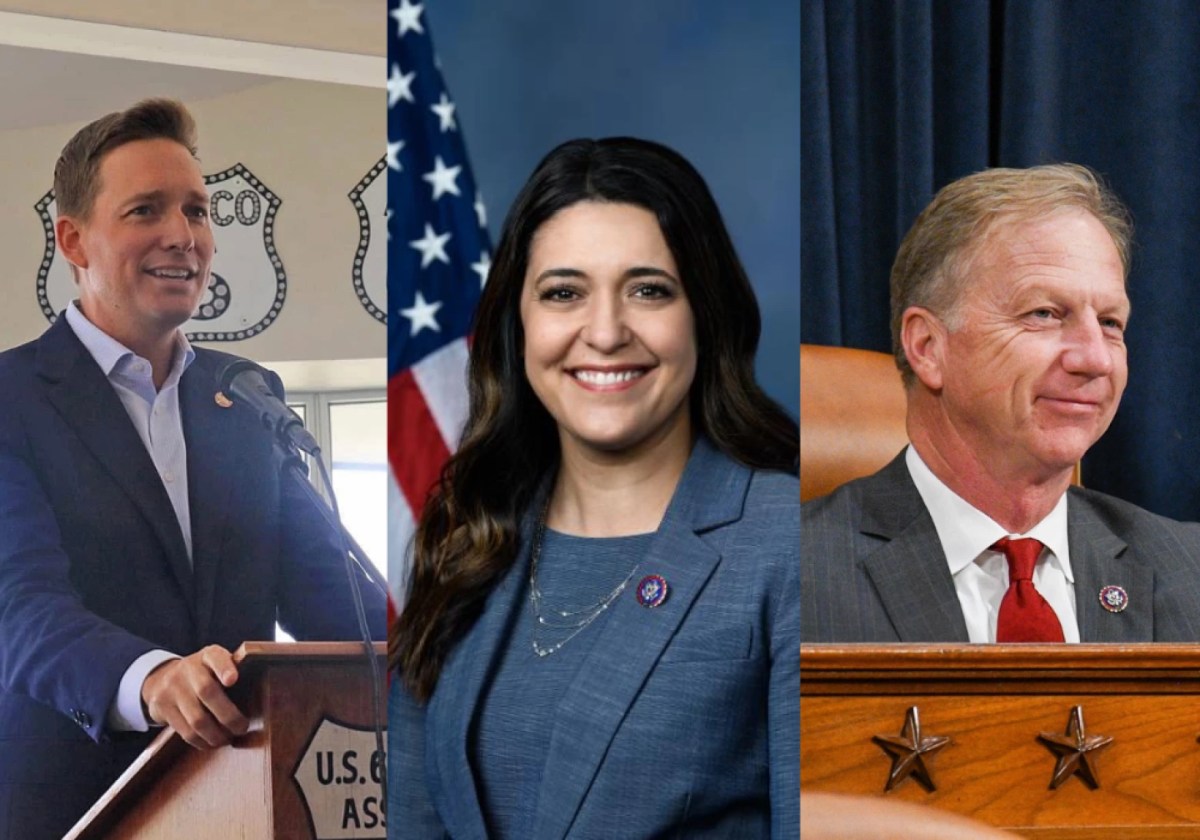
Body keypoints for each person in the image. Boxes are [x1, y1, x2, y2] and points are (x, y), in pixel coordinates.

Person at [389, 137, 799, 838]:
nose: (605, 333)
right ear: (519, 323)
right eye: (564, 293)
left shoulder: (784, 546)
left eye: (648, 290)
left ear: (704, 314)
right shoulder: (467, 535)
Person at [0, 99, 386, 839]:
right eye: (145, 210)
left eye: (197, 211)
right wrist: (151, 678)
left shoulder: (245, 396)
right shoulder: (11, 399)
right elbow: (18, 609)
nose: (183, 235)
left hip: (244, 803)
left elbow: (332, 600)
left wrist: (447, 653)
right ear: (73, 239)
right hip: (71, 811)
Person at [801, 163, 1200, 643]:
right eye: (1044, 313)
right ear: (928, 347)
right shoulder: (794, 572)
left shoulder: (1189, 572)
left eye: (1111, 323)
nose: (1095, 360)